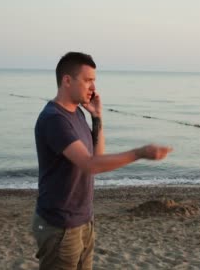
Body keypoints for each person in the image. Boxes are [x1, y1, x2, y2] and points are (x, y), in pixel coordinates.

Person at [32, 52, 173, 269]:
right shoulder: (54, 119)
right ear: (67, 80)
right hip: (60, 225)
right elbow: (90, 165)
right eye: (88, 80)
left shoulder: (77, 113)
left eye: (94, 81)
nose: (93, 87)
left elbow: (97, 157)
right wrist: (139, 153)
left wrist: (97, 117)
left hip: (83, 220)